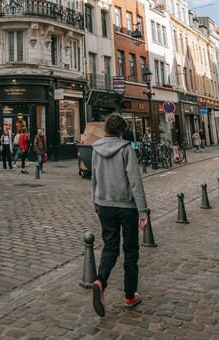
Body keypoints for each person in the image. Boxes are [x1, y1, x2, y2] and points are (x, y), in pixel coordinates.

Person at [90, 113, 149, 316]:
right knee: (130, 249)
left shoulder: (96, 149)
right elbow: (135, 181)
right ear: (122, 129)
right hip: (126, 206)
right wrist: (143, 211)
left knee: (110, 247)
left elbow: (94, 178)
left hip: (104, 204)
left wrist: (96, 202)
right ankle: (130, 295)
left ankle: (100, 280)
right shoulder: (126, 149)